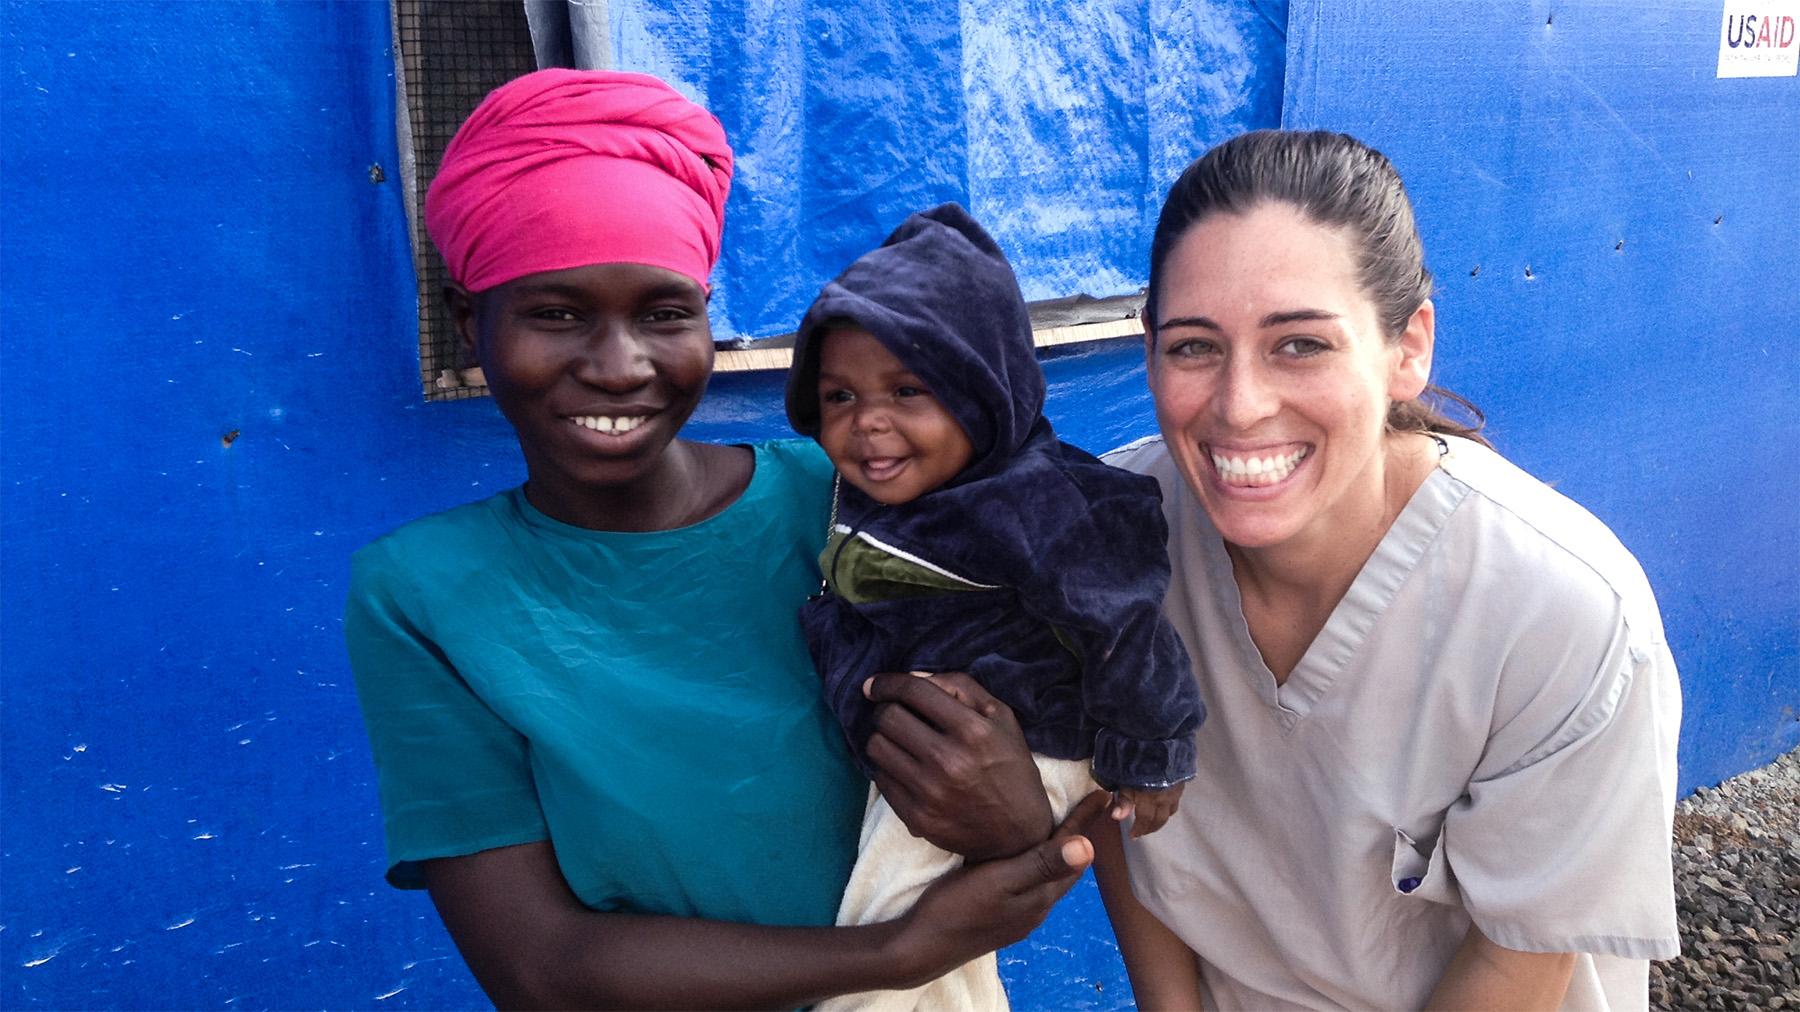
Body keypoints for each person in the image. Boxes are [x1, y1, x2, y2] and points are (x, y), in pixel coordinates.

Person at [343, 68, 1104, 1011]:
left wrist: (1023, 817)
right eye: (556, 314)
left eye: (664, 314)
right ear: (473, 324)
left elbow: (1044, 759)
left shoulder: (849, 501)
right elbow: (542, 971)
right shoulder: (426, 595)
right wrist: (898, 951)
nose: (619, 367)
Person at [1094, 130, 1682, 1010]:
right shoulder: (1107, 539)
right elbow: (1116, 813)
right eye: (1193, 347)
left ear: (1408, 348)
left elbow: (1516, 961)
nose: (1239, 405)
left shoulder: (1561, 613)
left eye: (1300, 345)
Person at [783, 203, 1207, 1011]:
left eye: (909, 390)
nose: (868, 421)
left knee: (883, 943)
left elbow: (1126, 625)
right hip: (943, 742)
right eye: (838, 396)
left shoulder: (1031, 503)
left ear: (984, 395)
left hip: (1024, 742)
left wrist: (1152, 753)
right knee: (943, 962)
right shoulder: (897, 492)